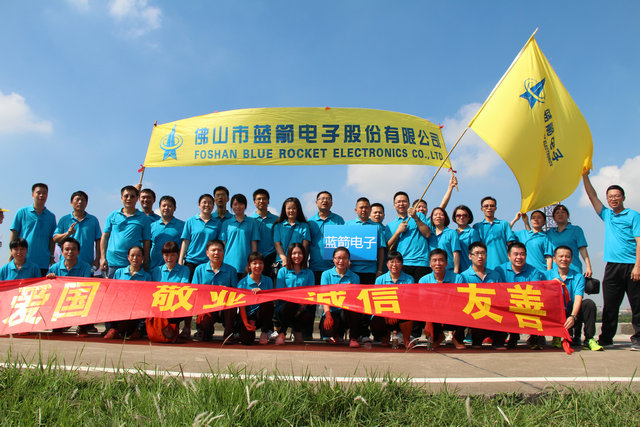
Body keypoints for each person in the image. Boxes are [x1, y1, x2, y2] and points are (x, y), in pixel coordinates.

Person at [583, 172, 640, 350]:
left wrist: (638, 266)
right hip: (612, 266)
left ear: (623, 197)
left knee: (637, 305)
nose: (613, 199)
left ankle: (638, 339)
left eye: (616, 196)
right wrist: (584, 176)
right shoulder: (607, 215)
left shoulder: (634, 215)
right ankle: (607, 338)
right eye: (610, 197)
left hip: (632, 266)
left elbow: (639, 241)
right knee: (610, 305)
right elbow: (592, 196)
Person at [544, 246, 602, 351]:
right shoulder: (546, 276)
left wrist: (573, 316)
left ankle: (589, 339)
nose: (564, 259)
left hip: (571, 311)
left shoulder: (578, 277)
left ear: (571, 259)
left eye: (567, 256)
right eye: (561, 256)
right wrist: (551, 285)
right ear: (554, 259)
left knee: (589, 304)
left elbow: (578, 298)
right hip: (555, 313)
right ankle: (556, 336)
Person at [495, 242, 546, 349]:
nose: (519, 257)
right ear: (509, 256)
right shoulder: (499, 270)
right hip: (506, 305)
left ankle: (534, 336)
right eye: (516, 254)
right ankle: (504, 337)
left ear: (526, 256)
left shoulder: (534, 272)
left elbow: (535, 292)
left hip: (525, 304)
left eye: (522, 254)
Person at [460, 241, 507, 349]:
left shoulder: (495, 275)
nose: (480, 256)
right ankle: (474, 338)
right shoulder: (464, 276)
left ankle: (498, 340)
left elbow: (502, 296)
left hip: (493, 312)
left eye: (483, 253)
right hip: (475, 313)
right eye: (477, 253)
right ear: (470, 256)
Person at [191, 240, 238, 342]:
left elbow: (236, 292)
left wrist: (227, 290)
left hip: (224, 307)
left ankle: (229, 335)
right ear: (207, 253)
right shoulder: (199, 269)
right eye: (213, 250)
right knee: (205, 337)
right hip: (206, 307)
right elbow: (194, 292)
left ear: (224, 252)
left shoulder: (231, 270)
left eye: (219, 250)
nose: (216, 253)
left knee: (232, 306)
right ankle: (206, 331)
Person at [101, 186, 151, 278]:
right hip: (113, 262)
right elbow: (105, 237)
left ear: (137, 198)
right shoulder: (113, 215)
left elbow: (146, 241)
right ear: (121, 198)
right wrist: (103, 258)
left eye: (132, 196)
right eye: (126, 196)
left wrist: (145, 260)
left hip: (133, 263)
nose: (129, 199)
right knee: (112, 287)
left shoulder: (143, 218)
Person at [418, 249, 465, 349]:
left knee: (467, 310)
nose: (438, 264)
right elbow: (423, 303)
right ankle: (438, 337)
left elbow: (460, 301)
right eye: (434, 260)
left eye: (441, 260)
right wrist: (428, 321)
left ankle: (457, 338)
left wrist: (445, 312)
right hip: (433, 316)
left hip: (452, 314)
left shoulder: (458, 278)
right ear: (430, 263)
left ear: (447, 263)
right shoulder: (424, 280)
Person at [46, 237, 93, 336]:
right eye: (67, 249)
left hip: (78, 298)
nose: (70, 252)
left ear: (78, 252)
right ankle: (59, 325)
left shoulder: (86, 267)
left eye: (73, 249)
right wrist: (50, 279)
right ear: (62, 252)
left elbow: (87, 286)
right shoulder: (54, 268)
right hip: (60, 299)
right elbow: (48, 288)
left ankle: (83, 326)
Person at [104, 246, 152, 339]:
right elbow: (113, 291)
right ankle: (115, 329)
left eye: (138, 256)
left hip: (137, 309)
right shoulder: (119, 272)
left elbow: (147, 298)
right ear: (128, 257)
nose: (135, 258)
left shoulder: (147, 276)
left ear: (142, 258)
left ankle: (132, 331)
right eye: (132, 255)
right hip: (120, 307)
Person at [10, 183, 56, 276]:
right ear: (32, 194)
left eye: (44, 193)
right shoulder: (22, 212)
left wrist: (51, 256)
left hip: (42, 262)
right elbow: (14, 233)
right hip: (23, 260)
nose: (41, 195)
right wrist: (11, 253)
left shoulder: (51, 216)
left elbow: (52, 239)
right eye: (38, 192)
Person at [371, 251, 415, 348]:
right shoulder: (380, 280)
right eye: (391, 262)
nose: (394, 265)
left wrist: (395, 313)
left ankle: (406, 339)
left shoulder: (409, 279)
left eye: (397, 262)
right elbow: (377, 300)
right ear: (387, 264)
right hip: (384, 313)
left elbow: (408, 299)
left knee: (409, 314)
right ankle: (385, 336)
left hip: (402, 312)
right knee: (376, 319)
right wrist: (389, 313)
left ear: (402, 264)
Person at [319, 247, 361, 348]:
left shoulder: (355, 277)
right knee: (328, 330)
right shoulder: (326, 275)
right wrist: (327, 315)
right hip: (331, 312)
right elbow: (324, 297)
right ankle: (336, 335)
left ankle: (353, 338)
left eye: (344, 258)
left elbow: (355, 300)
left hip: (346, 312)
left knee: (353, 311)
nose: (341, 261)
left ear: (349, 260)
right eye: (338, 258)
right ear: (333, 259)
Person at [386, 191, 432, 281]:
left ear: (409, 203)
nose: (401, 204)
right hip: (402, 263)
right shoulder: (390, 225)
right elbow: (387, 246)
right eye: (398, 202)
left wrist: (415, 218)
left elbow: (427, 234)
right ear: (394, 205)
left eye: (404, 201)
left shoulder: (419, 216)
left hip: (421, 262)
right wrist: (398, 232)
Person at [275, 243, 315, 345]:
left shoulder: (309, 273)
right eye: (294, 253)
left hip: (302, 307)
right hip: (285, 307)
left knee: (307, 315)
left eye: (300, 253)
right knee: (291, 304)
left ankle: (297, 330)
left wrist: (302, 304)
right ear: (289, 255)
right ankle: (282, 333)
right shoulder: (283, 271)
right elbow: (280, 293)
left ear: (304, 255)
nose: (297, 256)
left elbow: (311, 294)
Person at [53, 191, 102, 271]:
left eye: (83, 200)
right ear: (71, 203)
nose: (80, 202)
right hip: (66, 265)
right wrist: (67, 233)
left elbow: (98, 240)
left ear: (86, 203)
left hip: (86, 264)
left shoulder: (93, 220)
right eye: (77, 199)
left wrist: (97, 259)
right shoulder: (64, 219)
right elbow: (55, 238)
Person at [152, 241, 191, 339]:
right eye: (166, 255)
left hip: (176, 304)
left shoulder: (184, 270)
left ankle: (186, 328)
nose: (169, 258)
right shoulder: (156, 270)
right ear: (162, 255)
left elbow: (184, 287)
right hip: (160, 305)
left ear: (178, 255)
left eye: (173, 255)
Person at [345, 197, 386, 284]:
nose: (364, 210)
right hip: (351, 270)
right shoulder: (348, 225)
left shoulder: (377, 226)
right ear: (356, 210)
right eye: (361, 207)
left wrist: (379, 270)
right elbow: (342, 247)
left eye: (366, 207)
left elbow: (380, 249)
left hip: (370, 270)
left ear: (370, 210)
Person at [237, 252, 275, 345]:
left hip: (262, 315)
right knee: (247, 341)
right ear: (249, 266)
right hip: (248, 316)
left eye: (260, 263)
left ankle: (265, 332)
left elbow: (271, 300)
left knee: (267, 303)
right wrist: (246, 323)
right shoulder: (242, 283)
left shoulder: (268, 280)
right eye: (254, 263)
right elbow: (241, 306)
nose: (258, 266)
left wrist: (262, 293)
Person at [179, 194, 220, 279]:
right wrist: (180, 260)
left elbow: (220, 243)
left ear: (213, 206)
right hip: (191, 261)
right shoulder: (191, 221)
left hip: (208, 263)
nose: (207, 205)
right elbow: (186, 242)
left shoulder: (217, 223)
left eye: (210, 203)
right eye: (204, 202)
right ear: (199, 205)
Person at [220, 193, 260, 278]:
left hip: (245, 264)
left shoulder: (252, 222)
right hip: (228, 263)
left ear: (245, 206)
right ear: (231, 206)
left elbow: (254, 245)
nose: (238, 207)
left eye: (241, 204)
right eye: (235, 204)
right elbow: (223, 244)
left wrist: (252, 262)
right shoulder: (226, 223)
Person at [308, 191, 345, 283]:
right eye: (322, 199)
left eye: (328, 199)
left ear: (331, 203)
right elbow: (307, 244)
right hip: (315, 267)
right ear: (316, 202)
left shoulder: (339, 220)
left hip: (334, 268)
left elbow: (344, 243)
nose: (325, 201)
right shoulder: (310, 222)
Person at [546, 204, 592, 276]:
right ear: (553, 218)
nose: (560, 214)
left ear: (568, 216)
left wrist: (588, 266)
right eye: (557, 213)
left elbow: (582, 249)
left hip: (574, 269)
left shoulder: (576, 230)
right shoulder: (550, 233)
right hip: (556, 272)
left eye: (563, 212)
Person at [472, 196, 516, 269]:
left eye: (492, 206)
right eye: (486, 206)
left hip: (503, 264)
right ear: (481, 209)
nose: (489, 208)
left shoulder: (504, 224)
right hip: (484, 266)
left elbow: (510, 244)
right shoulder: (477, 227)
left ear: (495, 208)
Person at [149, 196, 185, 270]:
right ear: (160, 208)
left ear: (175, 208)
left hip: (174, 269)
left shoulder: (182, 226)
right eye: (164, 205)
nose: (166, 208)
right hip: (154, 268)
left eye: (169, 206)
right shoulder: (152, 226)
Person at [250, 188, 279, 281]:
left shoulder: (277, 220)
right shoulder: (249, 220)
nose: (261, 201)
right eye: (258, 199)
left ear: (268, 201)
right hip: (255, 259)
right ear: (254, 202)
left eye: (264, 199)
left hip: (272, 260)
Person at [273, 197, 310, 268]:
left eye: (294, 208)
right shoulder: (278, 226)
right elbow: (277, 244)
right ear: (284, 210)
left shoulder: (304, 226)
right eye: (289, 208)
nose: (291, 211)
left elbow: (305, 246)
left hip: (298, 263)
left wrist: (301, 261)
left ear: (298, 210)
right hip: (282, 263)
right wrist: (284, 259)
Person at [430, 207, 462, 273]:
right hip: (433, 272)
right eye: (435, 215)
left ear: (445, 218)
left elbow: (456, 253)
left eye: (441, 214)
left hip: (449, 270)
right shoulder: (430, 235)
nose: (438, 216)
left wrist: (456, 270)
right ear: (432, 219)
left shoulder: (452, 233)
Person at [452, 205, 481, 273]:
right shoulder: (452, 233)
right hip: (454, 270)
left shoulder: (472, 232)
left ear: (469, 217)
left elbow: (476, 252)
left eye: (464, 215)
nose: (461, 217)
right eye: (458, 215)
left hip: (468, 269)